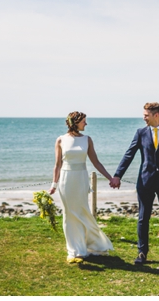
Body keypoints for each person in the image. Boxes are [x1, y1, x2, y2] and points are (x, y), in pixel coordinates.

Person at [111, 102, 159, 265]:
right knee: (143, 217)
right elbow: (129, 154)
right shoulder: (140, 133)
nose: (144, 118)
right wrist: (117, 175)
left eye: (146, 115)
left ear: (156, 115)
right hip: (145, 181)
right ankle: (142, 253)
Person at [49, 111, 118, 264]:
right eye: (83, 121)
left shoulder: (87, 140)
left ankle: (90, 245)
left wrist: (110, 178)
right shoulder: (61, 140)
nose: (86, 124)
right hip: (66, 179)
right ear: (75, 122)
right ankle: (73, 251)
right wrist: (53, 185)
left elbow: (96, 162)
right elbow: (57, 165)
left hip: (81, 179)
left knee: (81, 212)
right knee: (69, 214)